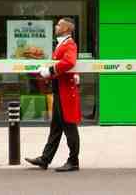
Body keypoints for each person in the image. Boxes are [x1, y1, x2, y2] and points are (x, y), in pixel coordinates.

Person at [26, 18, 81, 172]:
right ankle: (45, 159)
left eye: (58, 24)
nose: (56, 26)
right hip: (59, 90)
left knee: (69, 126)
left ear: (66, 28)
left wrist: (50, 71)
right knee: (56, 128)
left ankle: (73, 161)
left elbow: (69, 62)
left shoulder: (69, 44)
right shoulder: (62, 44)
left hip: (65, 92)